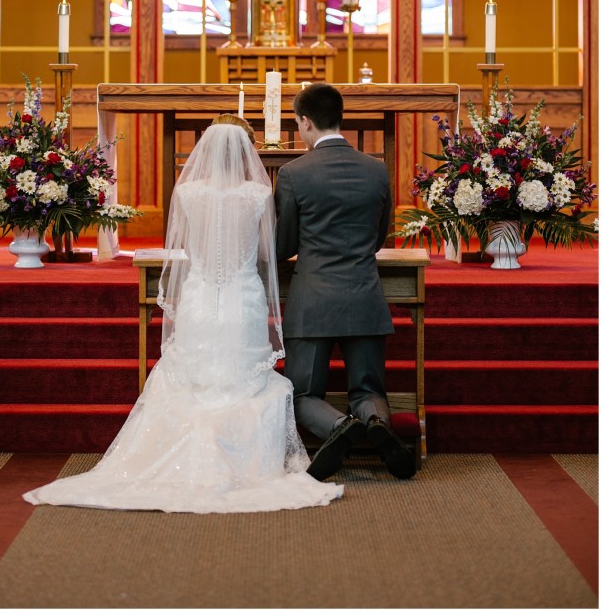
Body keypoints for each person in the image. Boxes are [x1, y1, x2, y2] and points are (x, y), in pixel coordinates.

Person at [23, 114, 343, 513]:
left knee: (193, 381)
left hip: (200, 295)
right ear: (245, 151)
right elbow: (267, 254)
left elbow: (188, 249)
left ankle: (175, 457)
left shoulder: (188, 192)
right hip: (242, 298)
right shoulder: (257, 195)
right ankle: (239, 461)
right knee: (242, 383)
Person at [274, 83, 416, 482]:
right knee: (370, 390)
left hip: (313, 299)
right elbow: (379, 236)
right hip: (365, 295)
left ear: (304, 121)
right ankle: (375, 423)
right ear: (341, 118)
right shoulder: (376, 170)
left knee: (301, 394)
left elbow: (284, 245)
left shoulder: (293, 173)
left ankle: (339, 427)